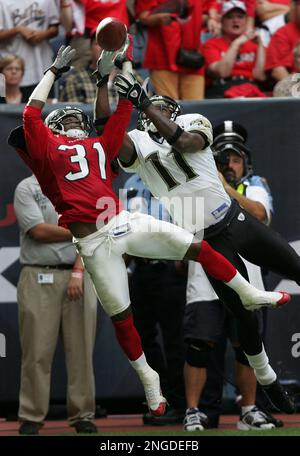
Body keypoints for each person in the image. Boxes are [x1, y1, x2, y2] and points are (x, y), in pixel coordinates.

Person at [8, 45, 287, 419]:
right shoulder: (45, 152)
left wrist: (118, 82)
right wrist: (53, 73)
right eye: (68, 120)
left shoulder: (99, 145)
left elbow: (118, 118)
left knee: (195, 247)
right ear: (54, 130)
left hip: (122, 222)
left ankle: (249, 292)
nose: (75, 124)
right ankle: (148, 378)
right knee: (124, 318)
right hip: (93, 244)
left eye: (79, 119)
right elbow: (30, 114)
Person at [109, 69, 300, 416]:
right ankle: (268, 380)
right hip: (207, 242)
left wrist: (146, 104)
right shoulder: (138, 141)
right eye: (154, 109)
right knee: (243, 317)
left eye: (164, 109)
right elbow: (110, 138)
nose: (160, 112)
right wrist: (109, 91)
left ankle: (265, 383)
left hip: (235, 222)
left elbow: (184, 142)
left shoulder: (195, 122)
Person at [183, 121, 282, 431]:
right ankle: (194, 411)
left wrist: (225, 190)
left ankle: (249, 410)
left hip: (248, 281)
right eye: (222, 160)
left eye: (235, 160)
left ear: (245, 163)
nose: (229, 166)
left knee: (247, 346)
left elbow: (260, 214)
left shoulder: (254, 185)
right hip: (204, 281)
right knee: (199, 346)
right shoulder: (194, 188)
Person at [14, 175, 98, 435]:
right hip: (38, 274)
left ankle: (83, 415)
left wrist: (78, 270)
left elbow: (95, 236)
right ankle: (31, 415)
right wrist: (79, 231)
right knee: (36, 352)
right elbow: (38, 231)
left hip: (80, 274)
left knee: (82, 351)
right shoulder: (27, 187)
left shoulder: (79, 183)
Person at [124, 174, 187, 425]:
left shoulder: (175, 177)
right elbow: (124, 225)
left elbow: (187, 220)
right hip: (139, 269)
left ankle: (180, 402)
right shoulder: (130, 184)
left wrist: (183, 257)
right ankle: (160, 400)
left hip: (170, 267)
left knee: (175, 339)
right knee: (144, 339)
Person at [202, 1, 266, 98]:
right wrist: (236, 44)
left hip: (250, 89)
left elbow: (260, 76)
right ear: (222, 22)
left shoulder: (254, 46)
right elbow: (222, 72)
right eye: (230, 17)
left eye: (240, 17)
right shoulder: (211, 45)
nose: (236, 21)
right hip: (222, 90)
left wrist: (261, 44)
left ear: (246, 21)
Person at [0, 0, 60, 99]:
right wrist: (18, 30)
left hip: (42, 64)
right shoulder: (3, 2)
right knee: (12, 108)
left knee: (42, 107)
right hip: (12, 68)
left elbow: (54, 27)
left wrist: (43, 34)